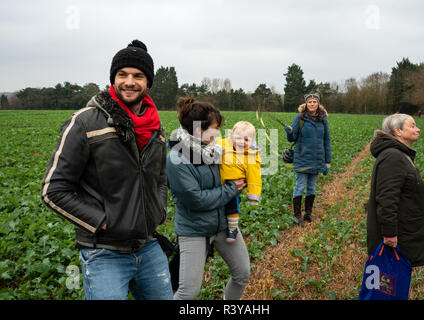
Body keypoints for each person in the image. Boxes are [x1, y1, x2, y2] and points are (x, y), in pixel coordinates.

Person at [41, 40, 173, 300]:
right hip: (103, 253)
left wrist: (158, 210)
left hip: (148, 247)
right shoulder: (85, 123)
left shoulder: (155, 127)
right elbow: (53, 190)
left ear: (148, 83)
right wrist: (102, 222)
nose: (129, 81)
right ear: (113, 79)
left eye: (138, 75)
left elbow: (160, 178)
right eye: (122, 74)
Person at [166, 97, 251, 300]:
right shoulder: (177, 158)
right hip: (194, 230)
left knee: (242, 274)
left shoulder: (215, 149)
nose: (218, 133)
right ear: (198, 130)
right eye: (214, 129)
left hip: (223, 224)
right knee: (188, 292)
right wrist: (232, 188)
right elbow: (196, 200)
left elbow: (238, 163)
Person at [366, 113, 424, 269]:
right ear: (398, 131)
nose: (418, 129)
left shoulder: (399, 154)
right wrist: (389, 234)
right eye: (412, 126)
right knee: (390, 285)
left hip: (405, 229)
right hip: (399, 235)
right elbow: (387, 198)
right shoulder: (393, 156)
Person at [284, 92, 331, 226]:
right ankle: (297, 215)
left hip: (317, 159)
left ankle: (308, 214)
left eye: (314, 102)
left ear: (318, 104)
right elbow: (292, 138)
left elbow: (326, 140)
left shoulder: (323, 120)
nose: (312, 104)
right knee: (299, 187)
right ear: (306, 104)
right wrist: (289, 132)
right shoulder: (300, 118)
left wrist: (327, 162)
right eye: (309, 102)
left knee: (311, 188)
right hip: (302, 158)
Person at [217, 121, 262, 244]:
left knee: (232, 206)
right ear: (232, 137)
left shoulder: (251, 156)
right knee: (219, 206)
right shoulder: (222, 143)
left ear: (252, 141)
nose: (242, 142)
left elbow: (254, 177)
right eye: (238, 138)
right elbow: (206, 145)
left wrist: (254, 195)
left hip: (234, 186)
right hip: (219, 183)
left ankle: (232, 229)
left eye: (247, 140)